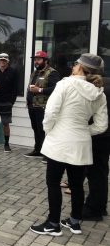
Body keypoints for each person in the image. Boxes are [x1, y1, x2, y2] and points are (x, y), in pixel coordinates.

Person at [30, 53, 108, 236]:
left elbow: (50, 113)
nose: (73, 66)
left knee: (53, 182)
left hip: (60, 141)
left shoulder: (64, 84)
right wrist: (82, 131)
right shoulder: (99, 93)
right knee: (77, 185)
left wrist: (49, 130)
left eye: (75, 64)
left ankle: (53, 224)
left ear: (81, 67)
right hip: (81, 144)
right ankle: (74, 222)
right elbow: (102, 125)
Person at [83, 72, 110, 221]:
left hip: (98, 134)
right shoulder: (105, 83)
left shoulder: (93, 87)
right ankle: (100, 206)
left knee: (95, 173)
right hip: (105, 135)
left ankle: (94, 210)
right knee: (101, 171)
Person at [25, 51, 60, 160]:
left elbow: (56, 89)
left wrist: (39, 90)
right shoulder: (35, 73)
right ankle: (38, 150)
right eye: (35, 59)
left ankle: (47, 154)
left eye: (39, 59)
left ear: (45, 61)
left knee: (44, 129)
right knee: (36, 128)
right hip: (32, 106)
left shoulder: (52, 73)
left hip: (43, 106)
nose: (36, 61)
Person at [0, 53, 18, 153]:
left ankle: (6, 144)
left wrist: (11, 102)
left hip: (6, 102)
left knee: (6, 123)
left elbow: (15, 88)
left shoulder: (13, 72)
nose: (2, 62)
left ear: (7, 61)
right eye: (1, 60)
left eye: (4, 60)